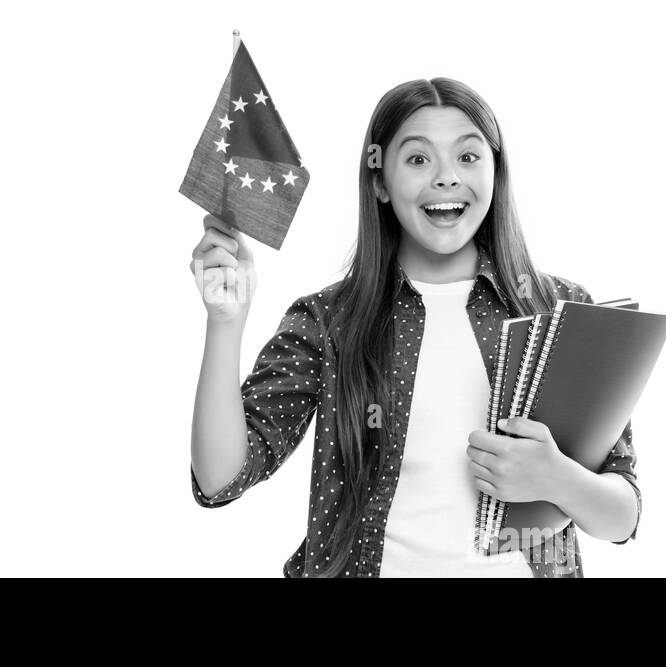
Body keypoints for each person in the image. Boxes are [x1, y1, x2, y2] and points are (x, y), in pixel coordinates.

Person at [188, 77, 642, 578]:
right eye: (419, 159)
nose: (446, 177)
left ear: (496, 171)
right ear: (381, 181)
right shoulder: (327, 322)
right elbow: (220, 478)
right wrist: (225, 325)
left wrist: (556, 479)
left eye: (468, 157)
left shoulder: (559, 310)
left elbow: (622, 516)